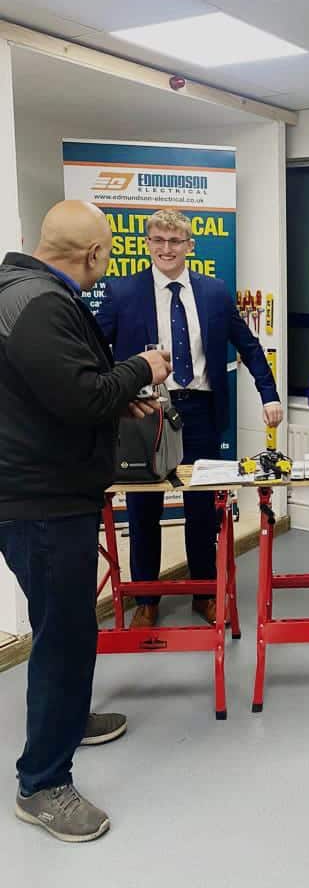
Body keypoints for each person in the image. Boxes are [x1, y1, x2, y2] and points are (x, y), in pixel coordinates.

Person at [0, 200, 172, 843]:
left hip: (38, 490)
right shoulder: (40, 303)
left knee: (67, 627)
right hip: (43, 501)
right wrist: (141, 369)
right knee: (65, 635)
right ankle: (43, 783)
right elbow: (79, 396)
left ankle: (68, 723)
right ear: (95, 254)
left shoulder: (19, 290)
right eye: (108, 252)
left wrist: (113, 397)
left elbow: (53, 391)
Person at [97, 209, 283, 628]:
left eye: (175, 241)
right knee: (144, 510)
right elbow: (92, 348)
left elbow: (248, 345)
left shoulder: (214, 291)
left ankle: (204, 593)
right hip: (145, 412)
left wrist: (269, 394)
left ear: (189, 246)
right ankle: (147, 600)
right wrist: (106, 396)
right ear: (147, 244)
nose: (166, 248)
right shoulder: (122, 292)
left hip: (200, 412)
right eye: (158, 240)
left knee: (201, 510)